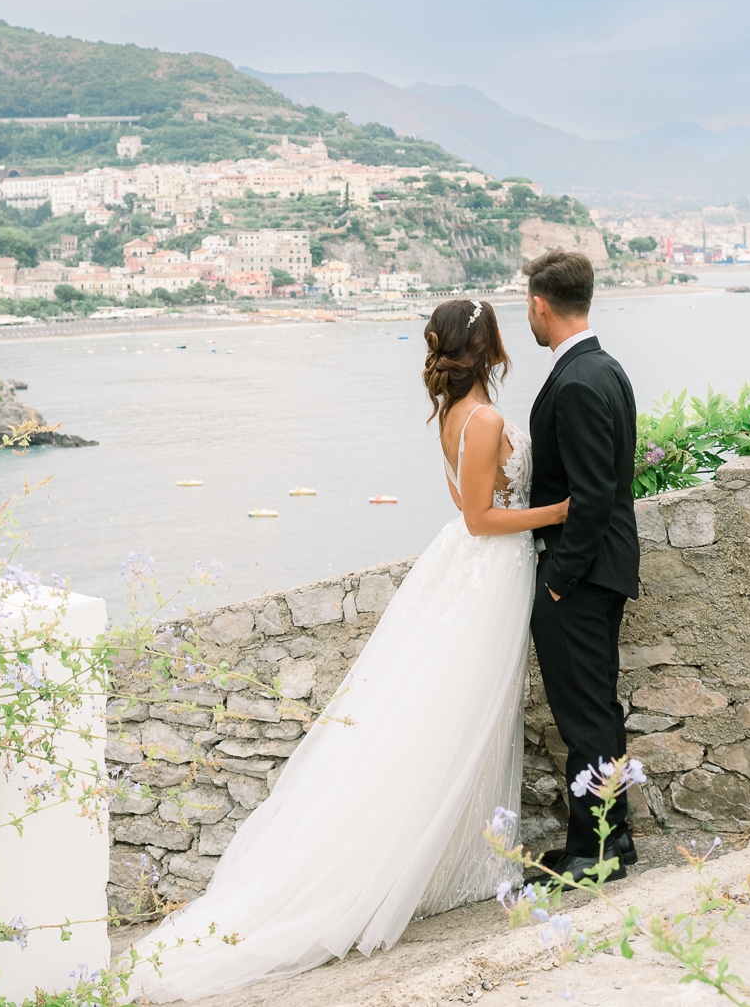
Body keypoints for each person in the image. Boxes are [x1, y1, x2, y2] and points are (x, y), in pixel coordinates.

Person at [132, 298, 567, 1002]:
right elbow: (481, 516)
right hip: (490, 568)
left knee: (461, 715)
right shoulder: (483, 419)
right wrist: (561, 510)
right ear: (487, 349)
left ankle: (454, 856)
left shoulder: (455, 413)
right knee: (462, 714)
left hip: (470, 569)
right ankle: (441, 862)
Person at [522, 248, 641, 883]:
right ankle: (603, 842)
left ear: (541, 305)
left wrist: (559, 582)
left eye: (528, 308)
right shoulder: (606, 368)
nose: (529, 318)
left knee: (585, 714)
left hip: (584, 573)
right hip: (602, 567)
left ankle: (597, 853)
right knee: (594, 710)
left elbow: (592, 498)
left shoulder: (574, 380)